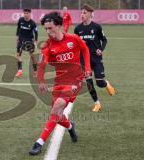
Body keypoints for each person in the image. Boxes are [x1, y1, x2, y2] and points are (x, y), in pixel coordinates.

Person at [29, 11, 91, 156]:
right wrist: (41, 81)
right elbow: (42, 65)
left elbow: (85, 49)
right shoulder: (47, 46)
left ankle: (39, 142)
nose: (48, 31)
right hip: (59, 82)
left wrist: (87, 68)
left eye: (50, 28)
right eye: (45, 29)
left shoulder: (73, 39)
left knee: (57, 107)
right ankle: (70, 126)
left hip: (75, 80)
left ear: (58, 26)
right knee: (56, 114)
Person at [74, 4, 115, 112]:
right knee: (89, 83)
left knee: (99, 83)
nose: (82, 15)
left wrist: (101, 49)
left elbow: (104, 40)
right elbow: (76, 44)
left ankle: (106, 84)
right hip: (84, 60)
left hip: (96, 59)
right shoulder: (78, 29)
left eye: (84, 13)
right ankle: (97, 103)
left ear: (90, 14)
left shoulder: (97, 27)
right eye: (81, 12)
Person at [15, 8, 38, 78]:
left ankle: (35, 71)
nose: (25, 15)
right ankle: (19, 71)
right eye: (24, 13)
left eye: (27, 13)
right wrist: (17, 37)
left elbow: (36, 33)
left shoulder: (33, 23)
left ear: (30, 14)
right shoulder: (20, 20)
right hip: (21, 40)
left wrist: (35, 42)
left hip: (29, 41)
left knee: (32, 56)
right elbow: (18, 28)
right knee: (18, 55)